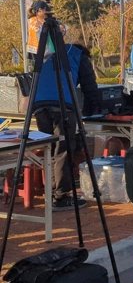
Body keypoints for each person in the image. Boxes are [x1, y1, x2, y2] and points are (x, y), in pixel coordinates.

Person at [33, 42, 100, 211]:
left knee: (51, 149)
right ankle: (61, 197)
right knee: (63, 150)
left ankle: (53, 192)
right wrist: (93, 110)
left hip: (39, 105)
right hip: (61, 105)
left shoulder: (52, 55)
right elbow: (89, 85)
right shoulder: (79, 56)